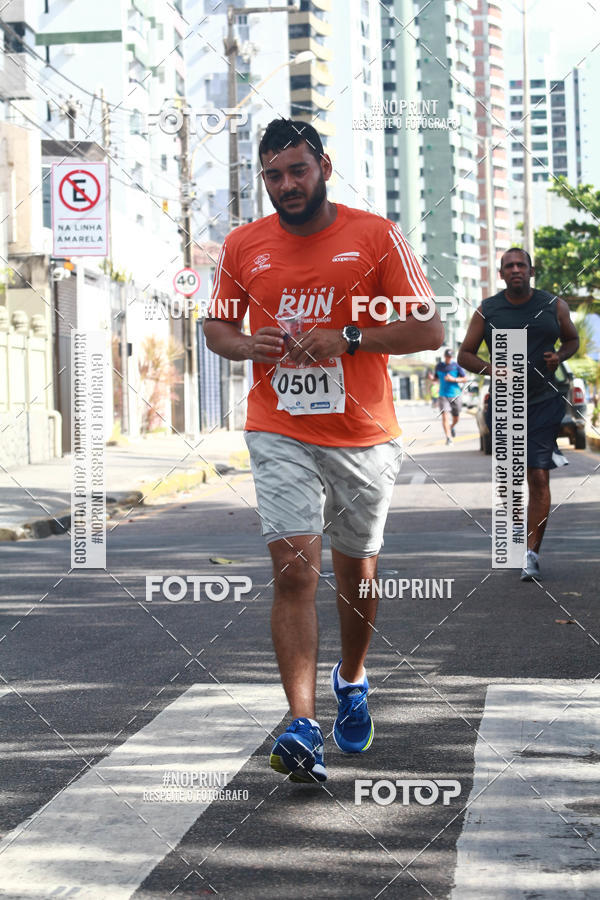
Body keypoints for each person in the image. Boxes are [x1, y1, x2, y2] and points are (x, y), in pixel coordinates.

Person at [204, 118, 444, 783]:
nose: (286, 185)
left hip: (363, 433)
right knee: (293, 569)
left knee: (356, 575)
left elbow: (429, 325)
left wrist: (351, 337)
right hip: (277, 423)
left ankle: (354, 676)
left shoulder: (375, 236)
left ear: (324, 167)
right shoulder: (242, 245)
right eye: (273, 175)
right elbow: (217, 326)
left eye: (297, 171)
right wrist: (244, 345)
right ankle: (303, 725)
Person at [458, 247, 579, 582]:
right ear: (501, 274)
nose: (515, 270)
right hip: (507, 403)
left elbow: (572, 340)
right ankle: (514, 540)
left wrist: (560, 356)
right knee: (512, 479)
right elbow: (464, 355)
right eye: (509, 266)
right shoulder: (488, 310)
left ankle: (530, 553)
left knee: (538, 474)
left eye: (520, 265)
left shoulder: (553, 305)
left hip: (544, 401)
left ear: (531, 270)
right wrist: (492, 370)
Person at [434, 348, 469, 444]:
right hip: (443, 395)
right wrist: (432, 379)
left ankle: (451, 426)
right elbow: (436, 378)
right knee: (445, 416)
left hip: (455, 395)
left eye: (450, 357)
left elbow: (465, 378)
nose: (448, 358)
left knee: (456, 417)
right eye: (447, 356)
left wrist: (453, 379)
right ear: (444, 356)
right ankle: (449, 438)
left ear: (452, 357)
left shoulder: (456, 366)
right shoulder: (439, 366)